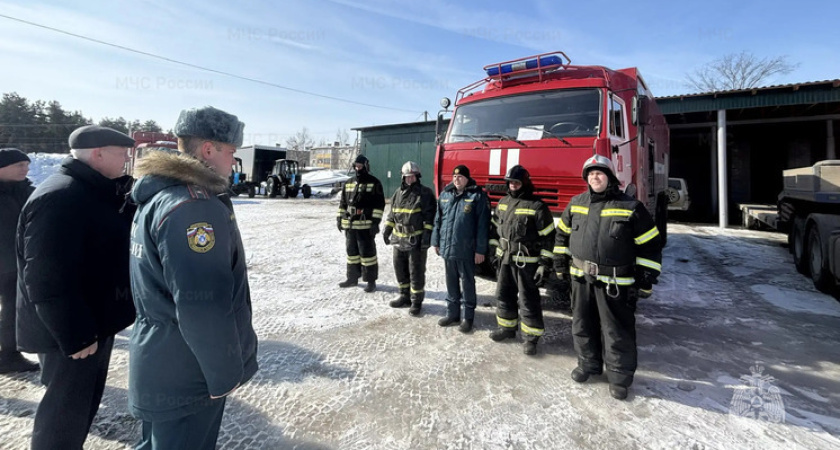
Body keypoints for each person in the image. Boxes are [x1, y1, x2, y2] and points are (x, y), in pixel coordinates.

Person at [128, 106, 258, 449]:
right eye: (231, 152)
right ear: (209, 149)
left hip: (163, 362)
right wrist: (225, 373)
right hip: (189, 371)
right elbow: (202, 305)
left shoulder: (161, 195)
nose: (233, 161)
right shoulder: (194, 207)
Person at [16, 126, 137, 449]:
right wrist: (76, 334)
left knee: (81, 407)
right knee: (64, 413)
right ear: (98, 153)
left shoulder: (91, 189)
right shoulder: (62, 197)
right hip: (70, 333)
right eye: (121, 151)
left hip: (92, 323)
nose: (128, 158)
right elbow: (45, 277)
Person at [553, 155, 662, 400]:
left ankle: (619, 377)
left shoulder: (631, 206)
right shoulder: (576, 203)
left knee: (616, 331)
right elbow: (562, 236)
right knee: (582, 325)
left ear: (610, 177)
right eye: (590, 174)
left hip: (615, 283)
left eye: (599, 173)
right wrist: (559, 262)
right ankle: (588, 365)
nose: (595, 177)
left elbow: (650, 245)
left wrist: (646, 278)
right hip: (581, 278)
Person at [488, 165, 555, 355]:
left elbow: (549, 238)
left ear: (524, 183)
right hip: (505, 261)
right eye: (510, 183)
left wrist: (544, 264)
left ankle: (531, 338)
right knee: (503, 295)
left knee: (528, 300)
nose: (513, 186)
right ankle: (507, 329)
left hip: (527, 263)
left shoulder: (537, 206)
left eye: (516, 182)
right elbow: (494, 231)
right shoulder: (502, 203)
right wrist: (494, 252)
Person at [431, 164, 490, 333]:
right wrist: (436, 241)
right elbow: (438, 221)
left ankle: (468, 317)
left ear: (467, 179)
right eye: (455, 177)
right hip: (448, 248)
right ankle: (453, 314)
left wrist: (480, 250)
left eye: (461, 177)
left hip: (466, 250)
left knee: (467, 283)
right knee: (451, 283)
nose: (457, 180)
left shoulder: (477, 196)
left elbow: (482, 226)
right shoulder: (445, 195)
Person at [0, 148, 38, 374]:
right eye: (19, 165)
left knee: (13, 310)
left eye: (26, 165)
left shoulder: (28, 192)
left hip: (16, 263)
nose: (25, 169)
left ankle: (9, 354)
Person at [382, 161, 436, 316]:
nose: (410, 179)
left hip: (415, 241)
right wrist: (387, 230)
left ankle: (416, 301)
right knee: (400, 270)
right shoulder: (397, 193)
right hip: (398, 241)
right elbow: (392, 214)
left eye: (412, 176)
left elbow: (429, 217)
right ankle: (404, 296)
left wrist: (426, 237)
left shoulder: (424, 193)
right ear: (403, 177)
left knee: (416, 272)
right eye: (407, 177)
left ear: (417, 176)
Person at [337, 154, 385, 292]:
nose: (358, 168)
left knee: (367, 255)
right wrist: (339, 219)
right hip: (350, 226)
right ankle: (352, 278)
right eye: (356, 166)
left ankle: (370, 281)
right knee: (351, 254)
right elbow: (342, 204)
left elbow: (379, 205)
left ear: (366, 166)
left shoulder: (374, 183)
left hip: (365, 226)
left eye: (360, 166)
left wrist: (375, 223)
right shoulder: (349, 183)